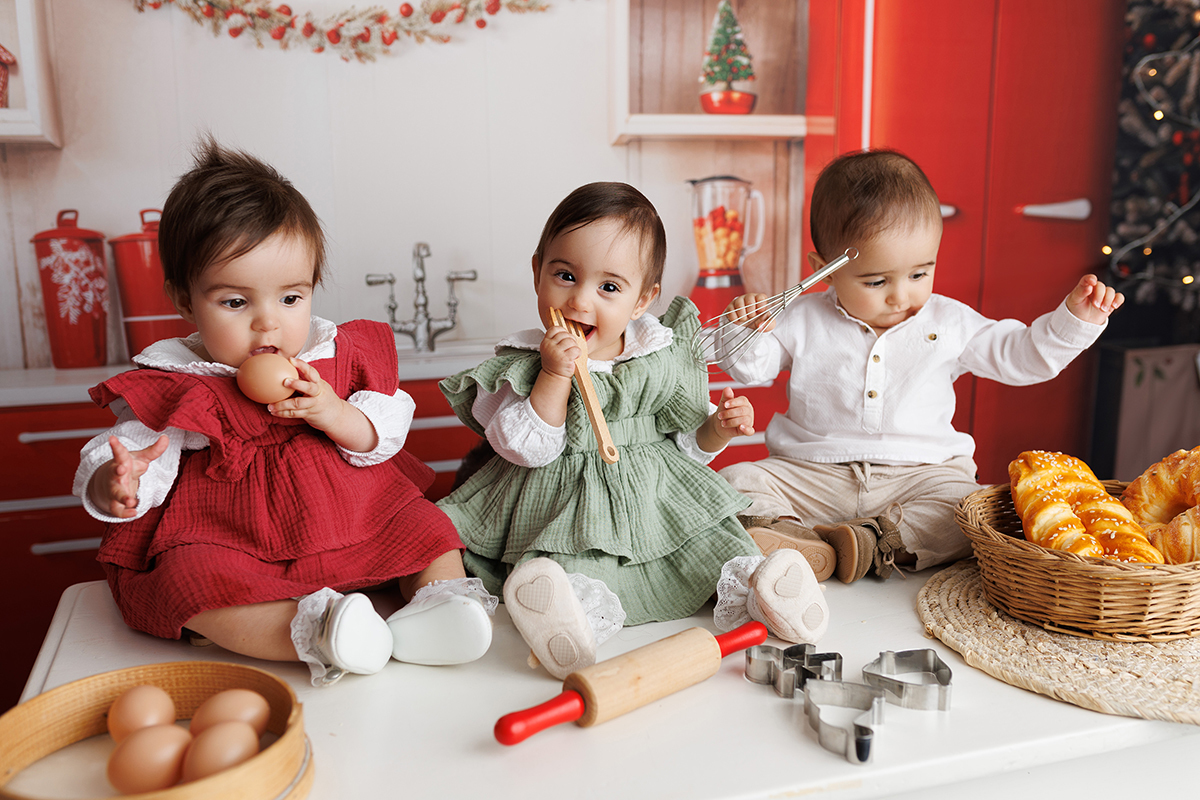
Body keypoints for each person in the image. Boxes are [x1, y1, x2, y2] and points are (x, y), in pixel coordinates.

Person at [73, 139, 496, 687]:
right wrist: (119, 481)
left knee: (427, 529)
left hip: (350, 511)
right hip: (229, 533)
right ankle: (320, 634)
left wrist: (334, 411)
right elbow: (138, 453)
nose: (268, 324)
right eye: (235, 302)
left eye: (290, 298)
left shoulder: (333, 358)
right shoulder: (177, 383)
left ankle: (440, 610)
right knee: (189, 585)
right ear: (185, 300)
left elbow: (384, 431)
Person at [436, 182, 830, 679]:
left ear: (642, 299)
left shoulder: (658, 356)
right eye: (564, 275)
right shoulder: (524, 364)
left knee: (711, 548)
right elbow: (526, 448)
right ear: (537, 271)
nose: (580, 300)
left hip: (657, 500)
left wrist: (717, 429)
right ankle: (568, 622)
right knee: (576, 567)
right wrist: (555, 375)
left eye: (608, 287)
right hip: (566, 505)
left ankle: (767, 589)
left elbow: (685, 447)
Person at [716, 149, 1125, 583]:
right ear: (824, 270)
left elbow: (1020, 355)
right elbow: (750, 368)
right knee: (736, 479)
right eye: (876, 281)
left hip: (919, 478)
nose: (900, 296)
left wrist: (1075, 320)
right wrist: (745, 327)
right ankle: (798, 539)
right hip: (812, 473)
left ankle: (872, 545)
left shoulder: (949, 321)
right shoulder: (802, 316)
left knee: (967, 506)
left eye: (919, 274)